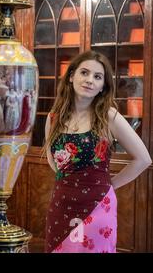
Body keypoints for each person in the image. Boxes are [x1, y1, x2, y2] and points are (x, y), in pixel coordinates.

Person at [44, 50, 151, 253]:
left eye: (97, 77)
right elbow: (52, 159)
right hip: (61, 204)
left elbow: (143, 159)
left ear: (103, 86)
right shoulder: (53, 117)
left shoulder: (108, 116)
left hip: (98, 206)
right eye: (84, 73)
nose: (89, 80)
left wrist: (110, 185)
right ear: (71, 76)